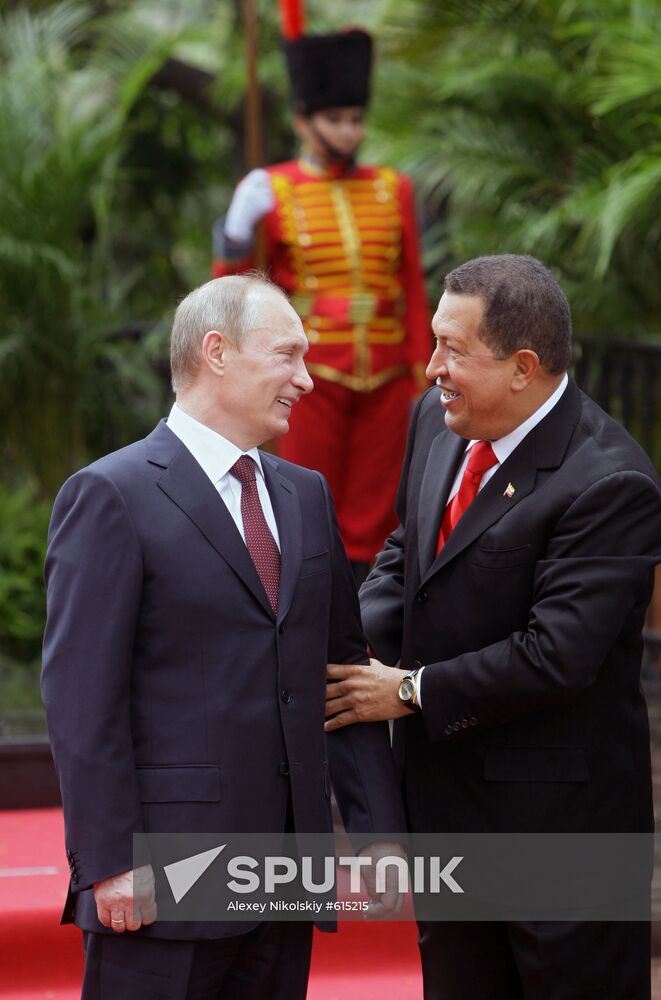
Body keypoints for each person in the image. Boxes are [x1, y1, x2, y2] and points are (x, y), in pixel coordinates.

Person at [41, 273, 406, 1000]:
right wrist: (110, 860)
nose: (306, 379)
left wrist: (378, 831)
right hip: (162, 881)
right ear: (216, 352)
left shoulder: (306, 494)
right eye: (288, 356)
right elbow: (83, 702)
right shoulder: (111, 494)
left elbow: (340, 670)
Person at [325, 254, 661, 999]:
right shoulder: (439, 423)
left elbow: (555, 656)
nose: (429, 368)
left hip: (560, 837)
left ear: (522, 367)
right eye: (434, 341)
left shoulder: (610, 482)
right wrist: (341, 643)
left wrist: (408, 690)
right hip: (446, 817)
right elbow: (411, 550)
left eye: (452, 349)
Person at [212, 26, 430, 583]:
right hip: (308, 373)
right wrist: (235, 237)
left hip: (384, 375)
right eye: (335, 120)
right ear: (303, 121)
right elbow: (238, 294)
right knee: (304, 498)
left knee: (378, 512)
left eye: (356, 119)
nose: (349, 132)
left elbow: (410, 284)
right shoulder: (274, 189)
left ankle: (366, 620)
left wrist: (421, 371)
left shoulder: (393, 188)